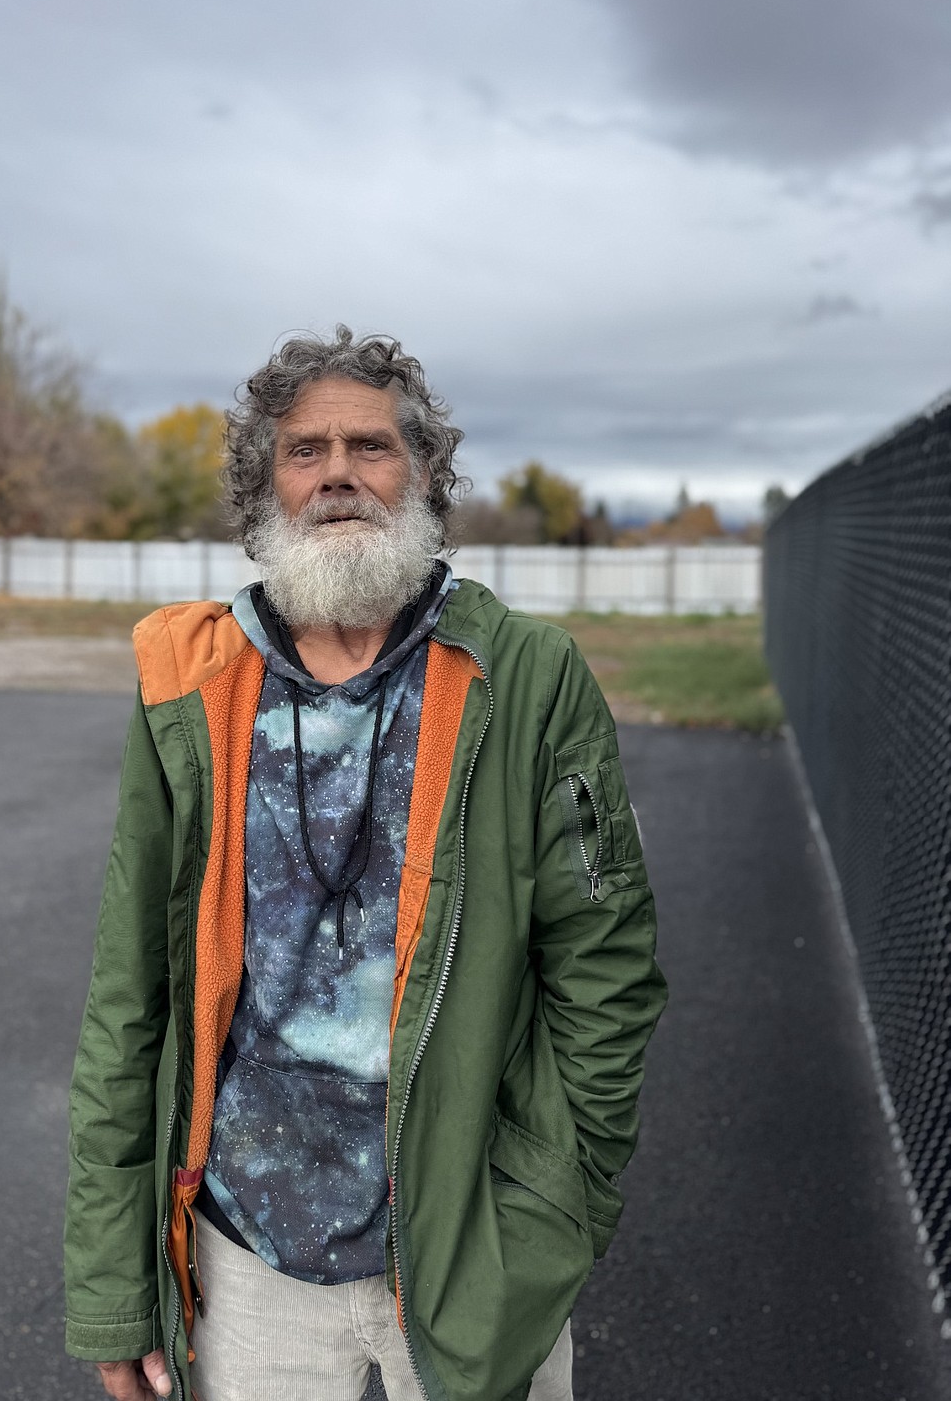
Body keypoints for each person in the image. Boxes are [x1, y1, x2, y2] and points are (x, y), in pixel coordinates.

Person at [63, 327, 667, 1401]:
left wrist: (554, 1204)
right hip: (247, 1262)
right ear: (265, 486)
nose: (339, 471)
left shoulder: (526, 679)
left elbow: (605, 967)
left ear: (425, 472)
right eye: (306, 450)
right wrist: (116, 1284)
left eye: (371, 446)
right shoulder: (187, 693)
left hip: (471, 1244)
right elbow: (130, 999)